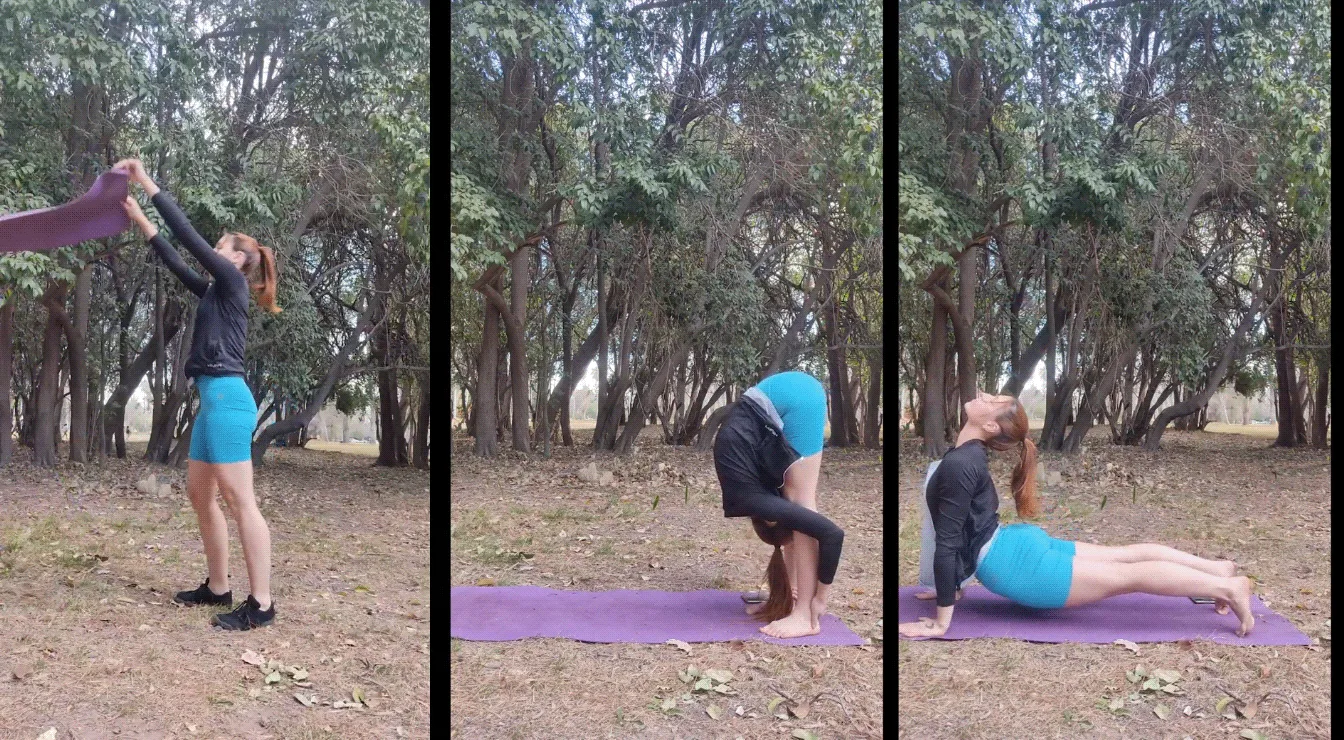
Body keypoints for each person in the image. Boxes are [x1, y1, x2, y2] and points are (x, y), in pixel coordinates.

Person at [899, 391, 1256, 639]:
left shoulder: (960, 462)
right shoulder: (967, 455)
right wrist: (952, 587)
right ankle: (1217, 569)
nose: (984, 395)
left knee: (1129, 574)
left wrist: (941, 621)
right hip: (1014, 545)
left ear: (991, 427)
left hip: (1015, 565)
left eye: (992, 401)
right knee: (1125, 558)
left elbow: (949, 542)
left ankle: (1226, 585)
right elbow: (962, 528)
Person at [116, 157, 282, 630]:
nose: (213, 249)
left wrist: (146, 182)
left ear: (237, 260)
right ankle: (218, 586)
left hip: (229, 400)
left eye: (220, 245)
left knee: (239, 500)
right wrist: (141, 219)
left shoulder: (231, 282)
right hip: (212, 403)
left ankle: (262, 604)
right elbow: (176, 260)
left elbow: (187, 237)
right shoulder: (215, 290)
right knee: (199, 494)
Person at [713, 371, 844, 638]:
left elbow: (830, 533)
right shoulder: (754, 494)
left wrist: (820, 598)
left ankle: (805, 616)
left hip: (798, 398)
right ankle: (789, 601)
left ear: (772, 520)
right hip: (780, 393)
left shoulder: (751, 497)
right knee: (797, 511)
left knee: (802, 504)